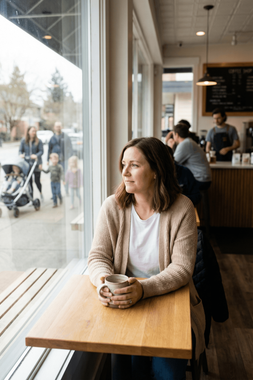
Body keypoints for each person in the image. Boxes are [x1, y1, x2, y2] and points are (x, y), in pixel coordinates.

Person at [88, 137, 205, 380]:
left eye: (135, 165)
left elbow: (182, 269)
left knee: (167, 373)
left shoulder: (181, 208)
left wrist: (143, 289)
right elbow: (98, 257)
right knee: (126, 371)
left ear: (155, 171)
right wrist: (103, 282)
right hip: (126, 300)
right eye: (123, 164)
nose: (125, 172)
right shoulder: (112, 206)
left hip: (169, 298)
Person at [167, 123, 212, 191]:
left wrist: (169, 147)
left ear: (176, 134)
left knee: (171, 186)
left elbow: (172, 163)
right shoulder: (189, 142)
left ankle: (183, 201)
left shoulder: (185, 144)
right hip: (203, 178)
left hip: (200, 180)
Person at [47, 121, 73, 195]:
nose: (58, 128)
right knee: (55, 176)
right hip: (55, 161)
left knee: (64, 176)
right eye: (57, 126)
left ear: (61, 127)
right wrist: (47, 160)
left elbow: (70, 148)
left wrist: (70, 158)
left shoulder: (66, 137)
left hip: (64, 160)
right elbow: (49, 149)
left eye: (59, 126)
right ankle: (56, 193)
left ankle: (66, 190)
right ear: (54, 127)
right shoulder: (52, 138)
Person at [19, 126, 44, 199]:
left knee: (37, 181)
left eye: (35, 131)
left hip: (36, 164)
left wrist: (36, 155)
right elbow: (20, 150)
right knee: (29, 182)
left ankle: (41, 193)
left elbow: (41, 151)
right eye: (32, 131)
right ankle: (31, 198)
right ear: (28, 132)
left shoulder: (38, 141)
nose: (34, 132)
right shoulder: (23, 141)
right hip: (27, 164)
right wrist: (21, 154)